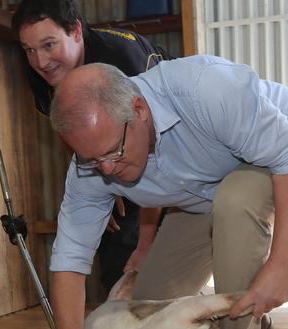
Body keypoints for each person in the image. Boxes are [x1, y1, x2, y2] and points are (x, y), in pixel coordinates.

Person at [48, 55, 288, 329]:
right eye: (93, 161)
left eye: (114, 153)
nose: (107, 171)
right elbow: (69, 259)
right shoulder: (92, 168)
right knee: (149, 307)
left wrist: (282, 264)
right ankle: (253, 319)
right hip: (201, 196)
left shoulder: (206, 89)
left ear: (139, 110)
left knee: (236, 200)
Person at [11, 0, 169, 290]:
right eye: (29, 50)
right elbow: (69, 129)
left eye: (49, 45)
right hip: (119, 148)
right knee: (115, 260)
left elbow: (158, 154)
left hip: (170, 145)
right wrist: (99, 177)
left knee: (145, 254)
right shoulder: (41, 71)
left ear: (76, 32)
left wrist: (146, 245)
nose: (40, 61)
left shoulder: (122, 63)